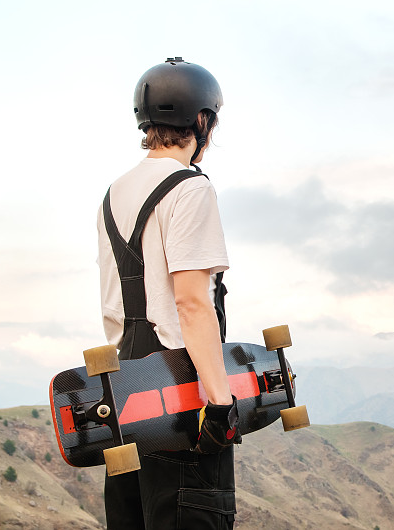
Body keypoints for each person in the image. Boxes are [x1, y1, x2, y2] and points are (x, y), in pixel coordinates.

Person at [96, 57, 240, 529]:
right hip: (177, 391)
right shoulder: (190, 189)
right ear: (203, 121)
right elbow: (191, 301)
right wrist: (219, 405)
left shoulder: (113, 193)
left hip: (124, 388)